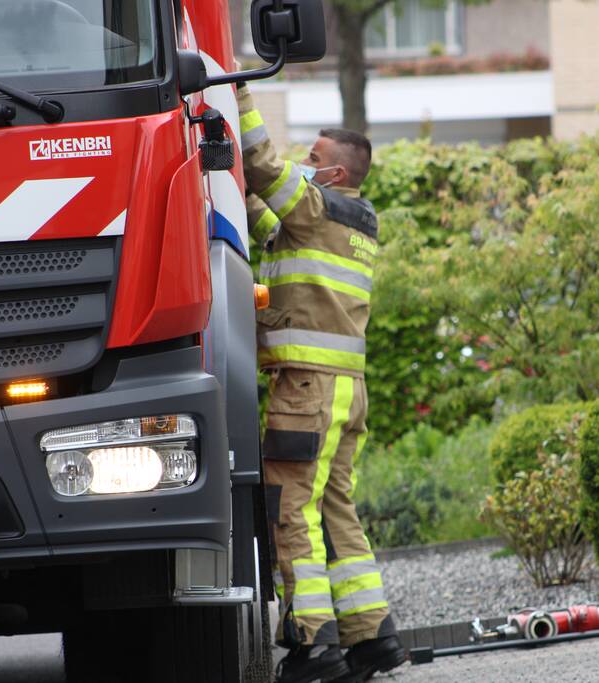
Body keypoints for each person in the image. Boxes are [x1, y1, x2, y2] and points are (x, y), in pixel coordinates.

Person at [237, 84, 406, 683]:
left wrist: (237, 92)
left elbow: (259, 163)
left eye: (311, 158)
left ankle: (313, 647)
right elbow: (263, 217)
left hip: (307, 389)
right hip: (344, 390)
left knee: (290, 511)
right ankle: (370, 638)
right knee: (336, 509)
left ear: (334, 173)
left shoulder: (315, 208)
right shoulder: (347, 219)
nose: (303, 164)